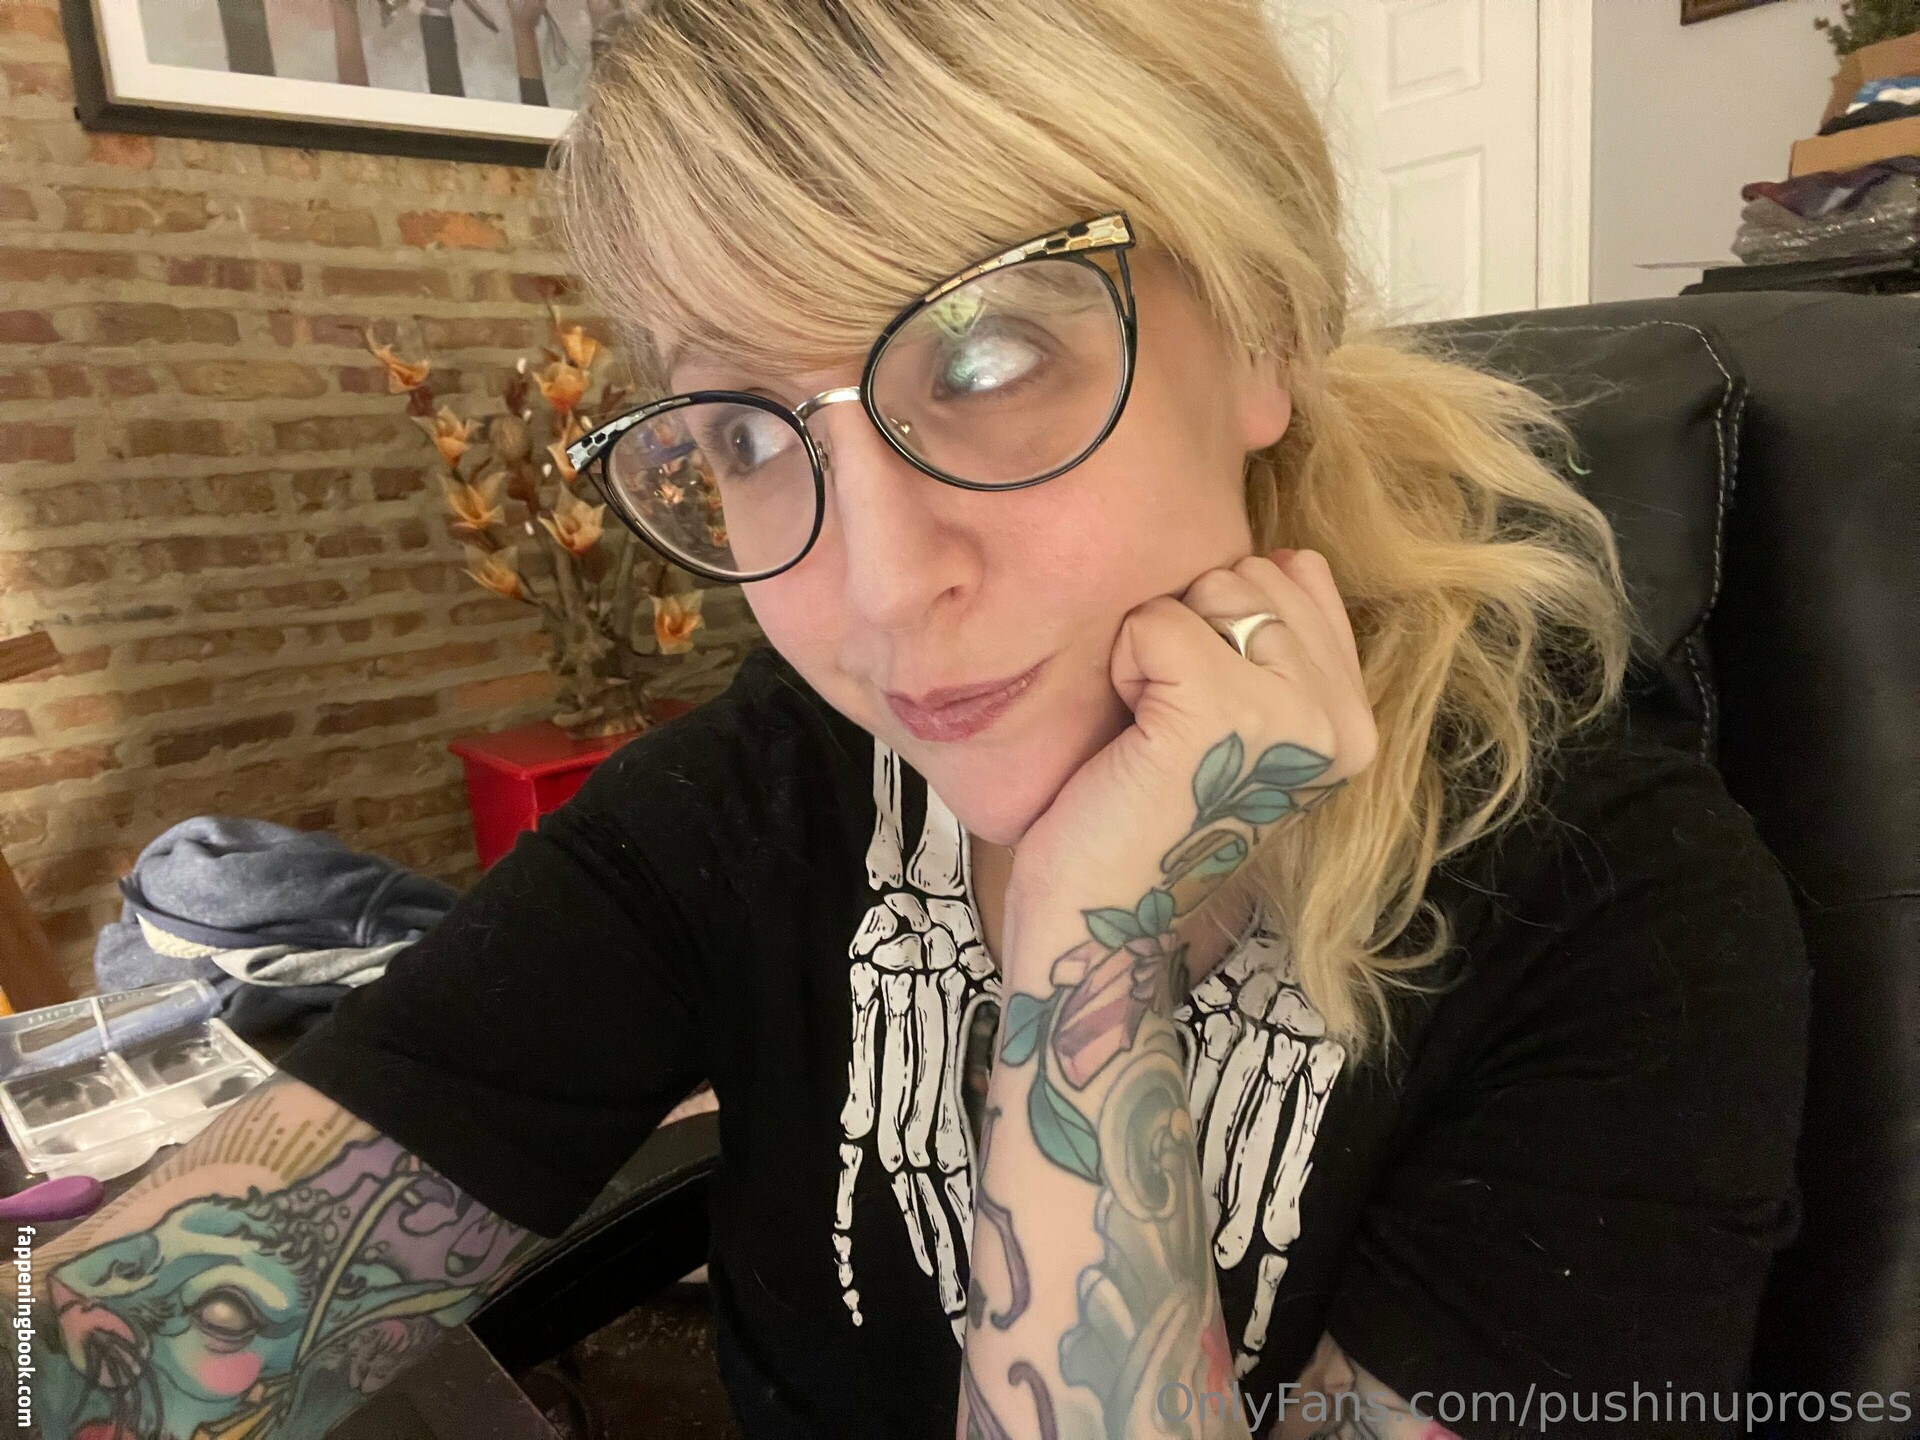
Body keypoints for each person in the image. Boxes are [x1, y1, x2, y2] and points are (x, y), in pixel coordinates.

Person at [28, 1, 1810, 1437]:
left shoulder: (1620, 919)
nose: (877, 591)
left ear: (1263, 333)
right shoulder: (771, 791)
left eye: (987, 356)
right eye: (744, 434)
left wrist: (1089, 949)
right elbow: (126, 1357)